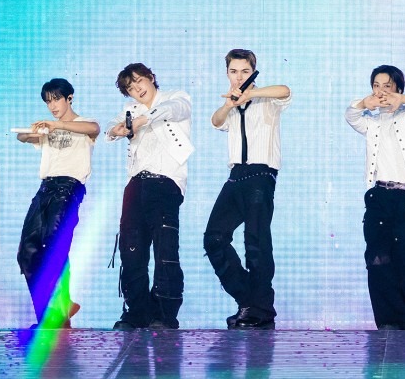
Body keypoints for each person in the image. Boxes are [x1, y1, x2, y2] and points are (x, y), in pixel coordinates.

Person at [345, 65, 405, 330]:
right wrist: (364, 103)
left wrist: (403, 100)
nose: (381, 92)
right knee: (378, 261)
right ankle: (389, 323)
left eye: (387, 86)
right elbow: (351, 115)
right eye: (376, 86)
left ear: (398, 87)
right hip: (379, 196)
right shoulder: (371, 120)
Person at [204, 49, 291, 330]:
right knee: (214, 238)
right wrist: (231, 103)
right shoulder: (230, 103)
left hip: (261, 174)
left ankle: (261, 309)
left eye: (244, 71)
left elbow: (285, 90)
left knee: (256, 242)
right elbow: (216, 121)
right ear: (227, 73)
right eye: (233, 71)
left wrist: (251, 94)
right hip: (236, 176)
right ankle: (249, 300)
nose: (239, 77)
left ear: (253, 71)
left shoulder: (267, 98)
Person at [107, 63, 194, 330]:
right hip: (136, 182)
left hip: (166, 182)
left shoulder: (175, 97)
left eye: (139, 81)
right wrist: (117, 130)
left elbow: (175, 109)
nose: (137, 89)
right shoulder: (129, 110)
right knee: (131, 249)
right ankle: (137, 313)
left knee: (165, 250)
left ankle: (164, 315)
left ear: (151, 77)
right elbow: (110, 129)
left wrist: (142, 120)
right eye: (130, 88)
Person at [15, 78, 99, 329]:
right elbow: (22, 137)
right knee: (27, 252)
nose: (52, 106)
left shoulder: (83, 124)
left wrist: (57, 125)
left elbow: (94, 128)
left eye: (56, 99)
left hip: (68, 189)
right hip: (45, 189)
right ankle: (51, 315)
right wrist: (37, 131)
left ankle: (59, 312)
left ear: (69, 98)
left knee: (55, 246)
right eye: (48, 101)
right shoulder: (48, 129)